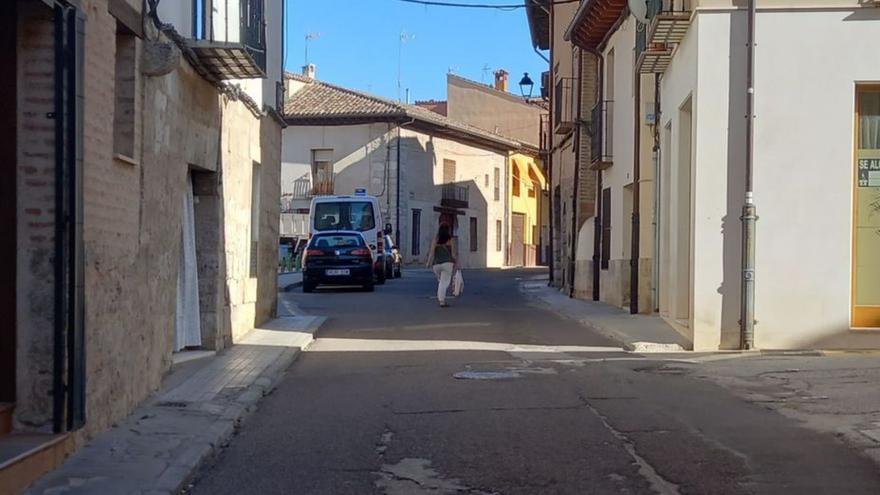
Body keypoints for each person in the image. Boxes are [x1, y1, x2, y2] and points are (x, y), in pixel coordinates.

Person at [426, 223, 456, 307]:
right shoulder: (450, 240)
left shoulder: (435, 240)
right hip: (447, 264)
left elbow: (431, 252)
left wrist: (428, 262)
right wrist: (456, 262)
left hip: (436, 265)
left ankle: (441, 297)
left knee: (441, 281)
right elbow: (453, 254)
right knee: (444, 283)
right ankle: (442, 301)